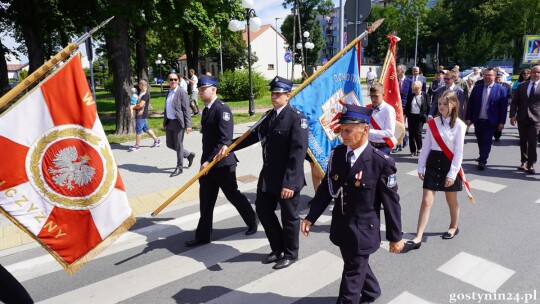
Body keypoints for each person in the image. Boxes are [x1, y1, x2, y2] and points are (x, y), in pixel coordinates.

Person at [301, 104, 403, 304]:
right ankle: (372, 291)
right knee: (355, 264)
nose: (343, 135)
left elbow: (392, 203)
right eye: (341, 130)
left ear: (365, 129)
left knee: (351, 278)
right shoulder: (338, 154)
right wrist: (311, 217)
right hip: (342, 226)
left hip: (364, 231)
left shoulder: (380, 162)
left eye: (348, 130)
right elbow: (326, 189)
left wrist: (395, 237)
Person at [232, 76, 308, 270]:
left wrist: (290, 183)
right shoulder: (268, 117)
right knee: (263, 211)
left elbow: (298, 154)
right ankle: (277, 248)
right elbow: (251, 137)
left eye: (278, 94)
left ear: (288, 96)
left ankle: (291, 253)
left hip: (287, 178)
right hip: (268, 176)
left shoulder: (297, 119)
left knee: (289, 218)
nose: (274, 97)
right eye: (273, 93)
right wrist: (229, 147)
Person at [184, 75, 258, 247]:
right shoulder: (207, 110)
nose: (201, 93)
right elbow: (208, 141)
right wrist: (205, 162)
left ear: (213, 90)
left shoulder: (222, 110)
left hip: (223, 165)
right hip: (208, 165)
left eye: (204, 89)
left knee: (234, 196)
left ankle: (253, 221)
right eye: (199, 90)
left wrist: (208, 161)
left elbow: (225, 141)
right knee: (206, 200)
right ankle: (203, 236)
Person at [407, 90, 467, 250]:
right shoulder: (433, 122)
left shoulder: (460, 126)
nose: (441, 106)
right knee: (426, 201)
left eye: (445, 104)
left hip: (449, 164)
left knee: (451, 200)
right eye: (439, 103)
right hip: (433, 162)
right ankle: (418, 237)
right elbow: (426, 147)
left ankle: (453, 226)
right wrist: (421, 166)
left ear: (453, 104)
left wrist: (453, 173)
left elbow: (459, 152)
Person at [465, 67, 508, 170]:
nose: (487, 77)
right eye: (486, 75)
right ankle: (482, 154)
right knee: (479, 139)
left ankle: (483, 160)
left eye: (490, 75)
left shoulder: (501, 89)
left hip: (491, 121)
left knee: (487, 140)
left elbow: (503, 108)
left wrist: (502, 122)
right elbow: (471, 104)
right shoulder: (477, 88)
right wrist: (468, 118)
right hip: (478, 120)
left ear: (494, 76)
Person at [163, 72, 196, 177]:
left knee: (178, 145)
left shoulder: (181, 92)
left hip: (178, 123)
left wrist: (188, 125)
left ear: (178, 80)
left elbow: (186, 109)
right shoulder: (169, 92)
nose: (173, 81)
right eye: (171, 79)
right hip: (169, 122)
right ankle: (188, 155)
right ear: (168, 81)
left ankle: (179, 168)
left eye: (175, 79)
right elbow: (166, 107)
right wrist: (165, 121)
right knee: (169, 144)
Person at [509, 64, 540, 174]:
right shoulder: (522, 86)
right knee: (523, 141)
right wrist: (512, 115)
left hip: (536, 119)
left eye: (538, 72)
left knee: (532, 141)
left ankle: (530, 164)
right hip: (522, 117)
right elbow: (514, 102)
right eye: (534, 72)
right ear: (530, 73)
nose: (536, 74)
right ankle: (524, 161)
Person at [129, 80, 161, 151]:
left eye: (139, 85)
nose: (138, 87)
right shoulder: (142, 93)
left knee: (138, 130)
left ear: (142, 85)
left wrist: (132, 107)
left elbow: (141, 105)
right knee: (146, 129)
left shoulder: (145, 94)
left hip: (141, 115)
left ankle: (137, 146)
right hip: (141, 114)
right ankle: (157, 140)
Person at [367, 82, 397, 156]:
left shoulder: (388, 109)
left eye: (376, 96)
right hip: (369, 146)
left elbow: (390, 132)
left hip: (383, 147)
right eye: (371, 96)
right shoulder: (368, 108)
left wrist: (370, 131)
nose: (373, 99)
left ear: (383, 95)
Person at [405, 80, 430, 156]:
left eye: (417, 88)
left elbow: (428, 107)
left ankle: (419, 148)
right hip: (411, 116)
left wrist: (429, 116)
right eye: (414, 88)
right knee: (411, 134)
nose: (415, 90)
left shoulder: (425, 95)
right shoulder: (410, 96)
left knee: (418, 133)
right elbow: (407, 107)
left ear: (420, 87)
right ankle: (412, 150)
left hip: (420, 117)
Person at [394, 65, 412, 152]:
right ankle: (399, 144)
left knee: (402, 125)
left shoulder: (409, 81)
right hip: (395, 107)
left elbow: (411, 96)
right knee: (397, 125)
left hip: (404, 107)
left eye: (397, 70)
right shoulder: (394, 80)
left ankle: (404, 138)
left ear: (403, 71)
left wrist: (408, 108)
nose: (396, 71)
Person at [493, 71, 513, 141]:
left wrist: (508, 102)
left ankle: (497, 135)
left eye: (499, 77)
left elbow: (510, 96)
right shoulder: (491, 85)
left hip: (501, 107)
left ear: (502, 78)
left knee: (499, 122)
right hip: (492, 107)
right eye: (497, 77)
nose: (498, 79)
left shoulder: (506, 86)